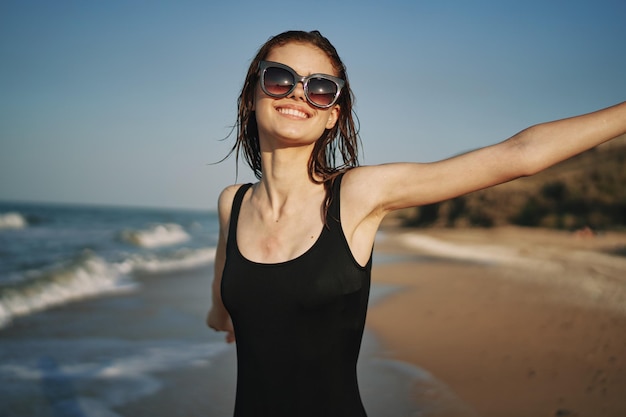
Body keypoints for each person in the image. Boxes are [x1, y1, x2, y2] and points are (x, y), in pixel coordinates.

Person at [206, 30, 626, 417]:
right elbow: (224, 309)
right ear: (252, 93)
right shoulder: (233, 204)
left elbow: (519, 154)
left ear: (333, 114)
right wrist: (236, 321)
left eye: (319, 87)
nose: (299, 93)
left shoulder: (358, 194)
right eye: (280, 78)